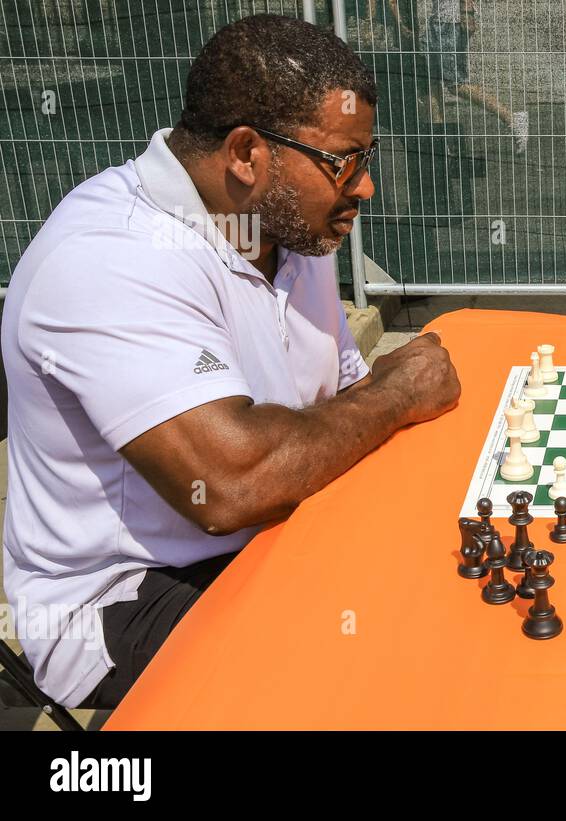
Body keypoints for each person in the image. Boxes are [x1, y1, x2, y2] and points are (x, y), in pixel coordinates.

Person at [1, 15, 461, 709]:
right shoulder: (109, 259)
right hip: (128, 598)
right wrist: (394, 396)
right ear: (247, 153)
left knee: (445, 573)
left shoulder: (285, 228)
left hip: (268, 531)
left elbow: (338, 400)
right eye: (345, 161)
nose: (365, 188)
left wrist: (373, 409)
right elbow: (230, 485)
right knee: (377, 671)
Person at [389, 0, 528, 153]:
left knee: (457, 85)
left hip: (451, 25)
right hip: (435, 25)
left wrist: (467, 15)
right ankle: (441, 142)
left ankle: (512, 119)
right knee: (429, 81)